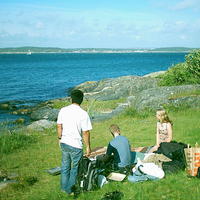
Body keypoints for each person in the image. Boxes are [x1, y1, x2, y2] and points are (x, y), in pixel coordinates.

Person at [57, 89, 92, 195]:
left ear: (71, 99)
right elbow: (85, 132)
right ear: (81, 100)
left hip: (64, 142)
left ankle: (63, 188)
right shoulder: (83, 114)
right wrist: (88, 146)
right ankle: (69, 190)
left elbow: (59, 125)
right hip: (76, 145)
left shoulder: (63, 110)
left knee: (65, 166)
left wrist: (59, 138)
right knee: (75, 169)